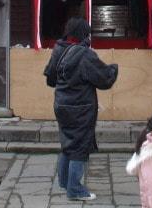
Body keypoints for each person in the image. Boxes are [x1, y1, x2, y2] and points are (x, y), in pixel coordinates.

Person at [43, 17, 118, 201]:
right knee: (79, 148)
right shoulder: (84, 54)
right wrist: (114, 68)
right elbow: (104, 79)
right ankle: (75, 189)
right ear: (84, 34)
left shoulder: (58, 49)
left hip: (61, 104)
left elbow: (50, 79)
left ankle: (64, 182)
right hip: (81, 107)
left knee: (67, 143)